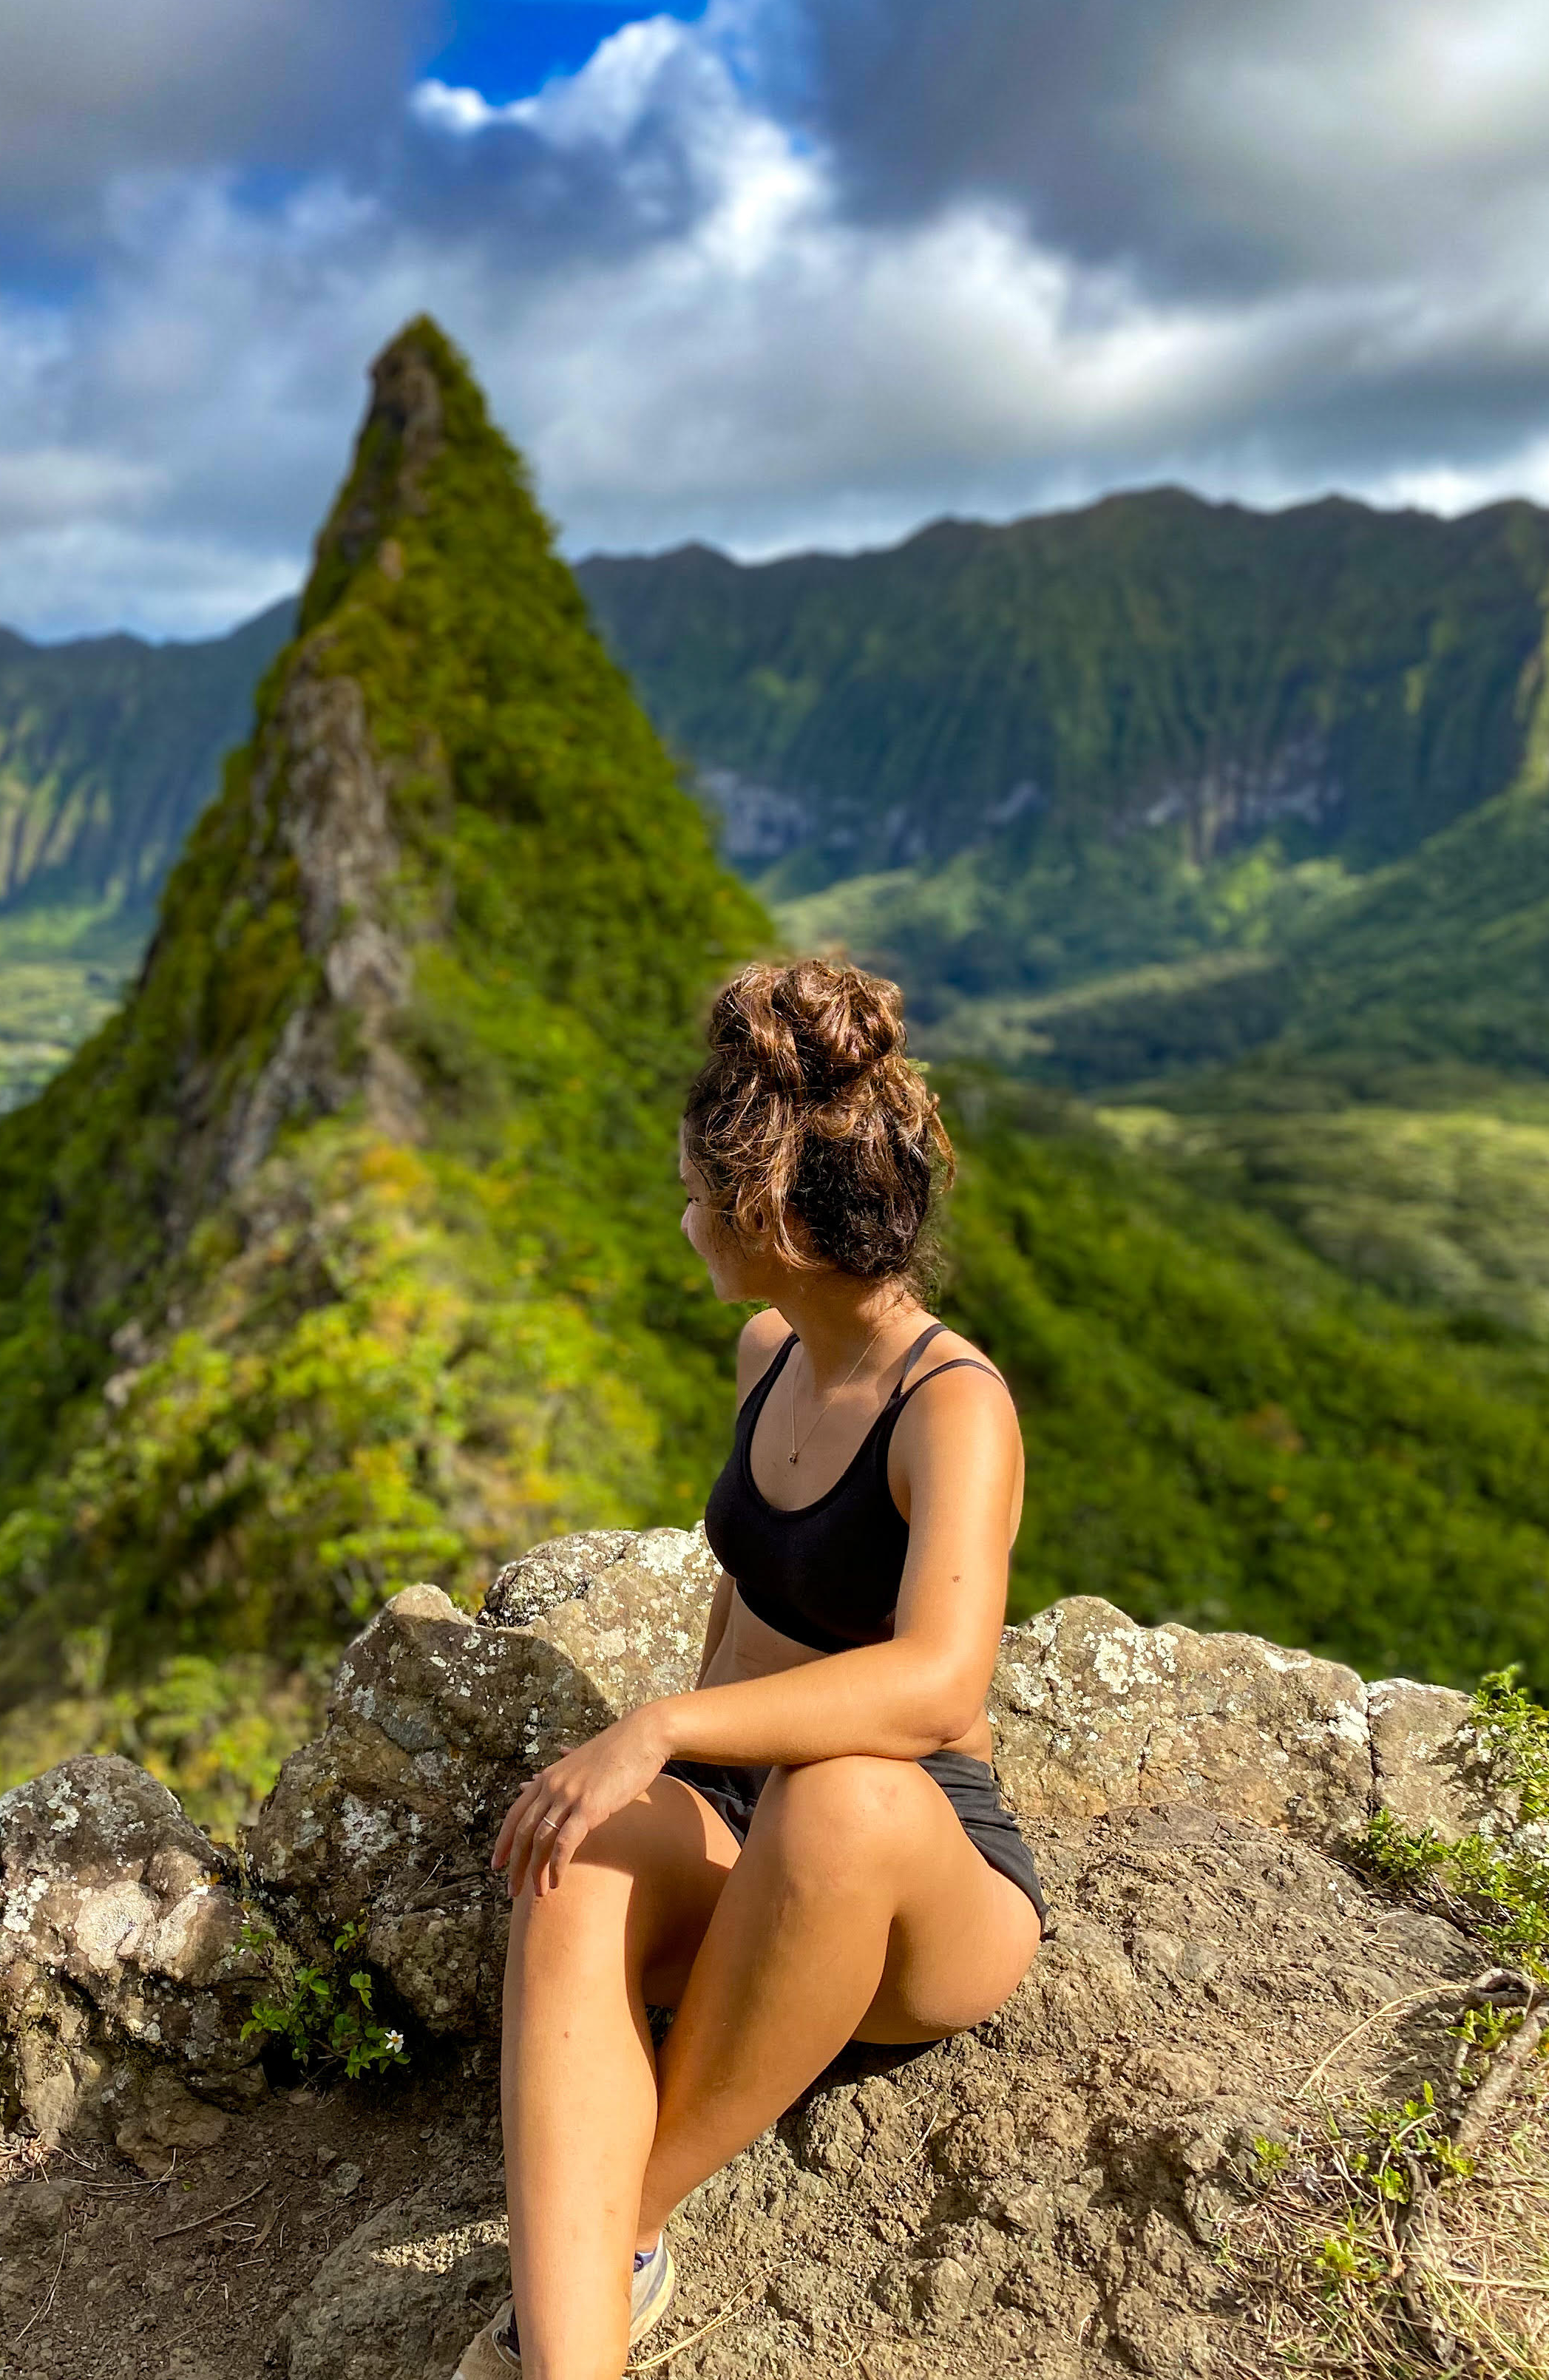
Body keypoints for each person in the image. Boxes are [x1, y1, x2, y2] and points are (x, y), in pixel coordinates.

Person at [456, 957, 1045, 2380]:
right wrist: (663, 1773)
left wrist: (661, 1724)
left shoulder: (952, 1408)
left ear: (769, 1220)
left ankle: (620, 2227)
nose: (682, 1220)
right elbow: (746, 1592)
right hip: (742, 1815)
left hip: (909, 1868)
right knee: (577, 1858)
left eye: (696, 1197)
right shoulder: (766, 1351)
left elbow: (941, 1688)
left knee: (839, 1798)